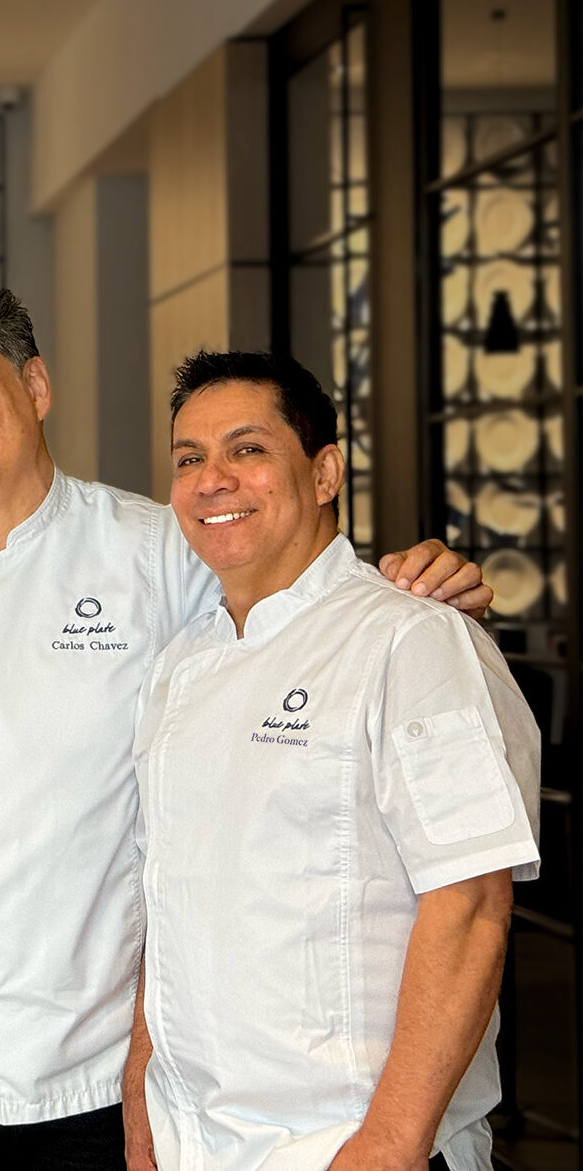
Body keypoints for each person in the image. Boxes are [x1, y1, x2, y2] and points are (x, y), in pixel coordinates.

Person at [0, 282, 491, 1169]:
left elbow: (297, 602)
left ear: (35, 387)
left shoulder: (157, 547)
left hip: (106, 1063)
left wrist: (414, 585)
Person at [127, 350, 539, 1171]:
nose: (213, 480)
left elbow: (470, 906)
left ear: (324, 474)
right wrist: (143, 1103)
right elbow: (167, 905)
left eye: (247, 450)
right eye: (188, 459)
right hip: (194, 1143)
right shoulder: (178, 667)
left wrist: (390, 1143)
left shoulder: (410, 636)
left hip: (352, 1146)